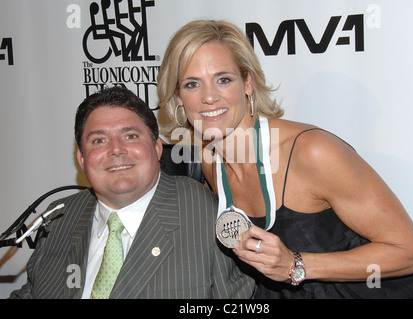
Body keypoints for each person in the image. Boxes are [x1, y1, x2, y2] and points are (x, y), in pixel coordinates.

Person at [157, 19, 413, 298]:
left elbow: (411, 252)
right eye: (192, 84)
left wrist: (296, 265)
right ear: (179, 97)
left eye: (223, 79)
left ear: (248, 83)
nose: (209, 97)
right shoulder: (210, 161)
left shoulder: (313, 151)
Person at [9, 86, 254, 299]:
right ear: (81, 159)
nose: (116, 149)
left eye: (130, 136)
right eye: (98, 140)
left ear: (157, 148)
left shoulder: (207, 215)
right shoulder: (58, 218)